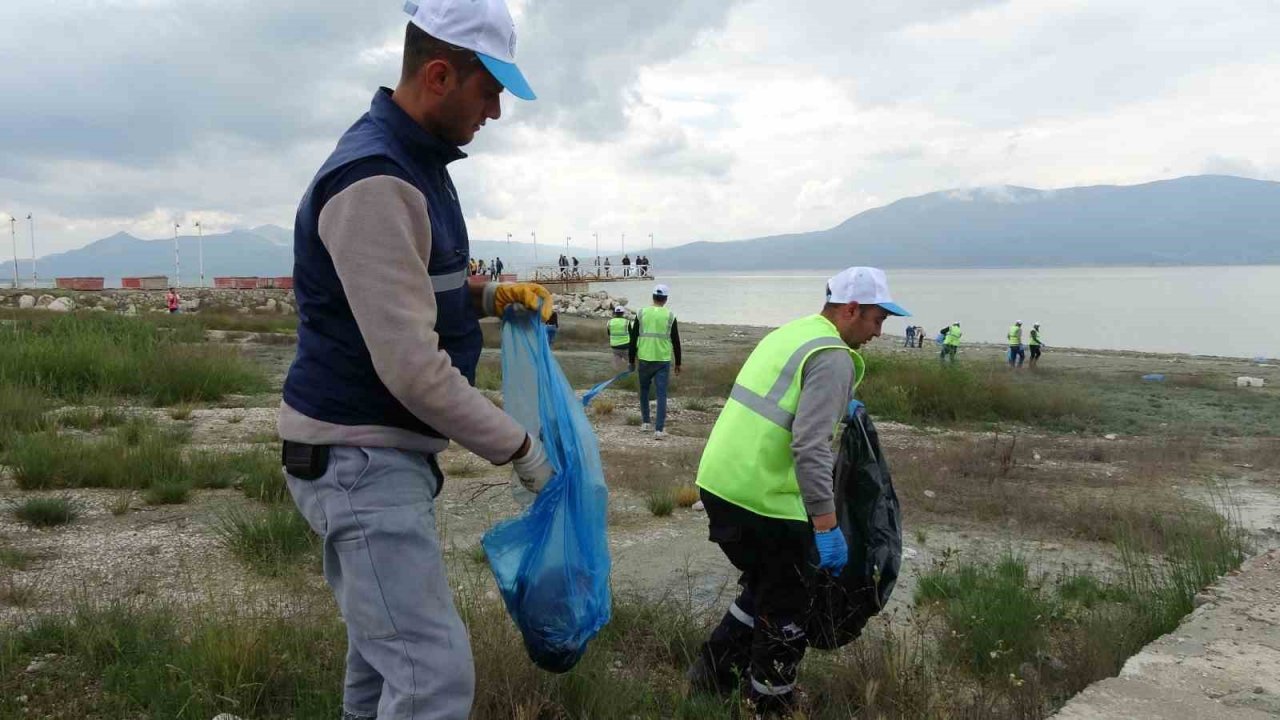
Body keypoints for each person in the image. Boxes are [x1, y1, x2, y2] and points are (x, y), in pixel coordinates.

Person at [277, 4, 554, 719]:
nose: (495, 112)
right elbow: (410, 365)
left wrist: (490, 296)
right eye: (489, 91)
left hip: (373, 456)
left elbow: (411, 290)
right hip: (357, 459)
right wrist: (519, 448)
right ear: (439, 75)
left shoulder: (416, 163)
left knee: (382, 664)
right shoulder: (376, 177)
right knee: (431, 677)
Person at [689, 267, 909, 713]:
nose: (878, 333)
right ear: (851, 310)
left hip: (720, 483)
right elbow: (809, 446)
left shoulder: (792, 334)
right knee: (789, 605)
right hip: (763, 498)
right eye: (877, 320)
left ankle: (710, 677)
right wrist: (827, 526)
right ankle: (771, 702)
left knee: (765, 586)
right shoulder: (833, 357)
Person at [629, 283, 681, 439]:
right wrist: (678, 362)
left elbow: (633, 338)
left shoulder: (641, 313)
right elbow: (676, 341)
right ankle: (659, 430)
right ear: (665, 299)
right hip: (662, 360)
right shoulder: (670, 316)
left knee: (644, 391)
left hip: (644, 358)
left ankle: (645, 423)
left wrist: (631, 360)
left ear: (653, 297)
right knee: (661, 394)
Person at [607, 306, 630, 371]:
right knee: (629, 361)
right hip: (625, 346)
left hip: (614, 346)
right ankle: (629, 373)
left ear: (615, 313)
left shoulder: (609, 322)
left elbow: (609, 333)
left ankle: (616, 373)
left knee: (617, 362)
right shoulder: (627, 322)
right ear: (623, 313)